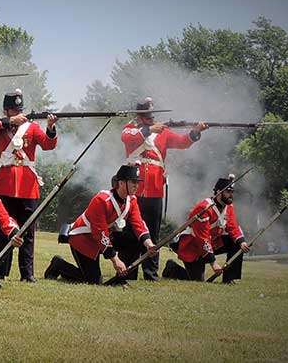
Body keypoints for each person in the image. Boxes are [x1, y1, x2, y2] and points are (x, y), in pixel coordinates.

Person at [120, 97, 207, 281]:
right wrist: (149, 130)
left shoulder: (164, 132)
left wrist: (196, 131)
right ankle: (128, 270)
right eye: (147, 113)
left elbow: (183, 142)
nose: (150, 116)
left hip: (155, 190)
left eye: (151, 113)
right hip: (133, 188)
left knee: (153, 233)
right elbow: (128, 137)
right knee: (130, 232)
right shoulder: (132, 128)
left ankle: (150, 273)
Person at [0, 88, 57, 282]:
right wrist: (9, 122)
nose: (17, 114)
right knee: (4, 230)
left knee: (27, 232)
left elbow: (48, 145)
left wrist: (50, 127)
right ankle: (0, 270)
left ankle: (27, 274)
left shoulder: (31, 128)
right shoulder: (0, 127)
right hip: (4, 186)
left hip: (27, 187)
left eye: (19, 111)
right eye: (13, 111)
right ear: (6, 111)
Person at [44, 165, 156, 284]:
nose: (136, 185)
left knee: (135, 239)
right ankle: (59, 265)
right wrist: (115, 260)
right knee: (92, 281)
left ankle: (125, 276)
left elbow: (138, 223)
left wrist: (149, 244)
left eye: (137, 182)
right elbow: (100, 232)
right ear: (121, 183)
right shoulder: (101, 200)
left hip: (104, 237)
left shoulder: (131, 200)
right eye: (133, 182)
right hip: (84, 239)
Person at [162, 174, 250, 283]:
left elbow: (233, 227)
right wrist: (214, 263)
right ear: (218, 192)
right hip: (192, 246)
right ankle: (172, 269)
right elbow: (202, 238)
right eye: (228, 192)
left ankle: (228, 279)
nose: (231, 195)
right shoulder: (204, 208)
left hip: (210, 243)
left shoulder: (228, 207)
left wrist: (241, 242)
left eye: (232, 192)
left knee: (236, 243)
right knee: (197, 281)